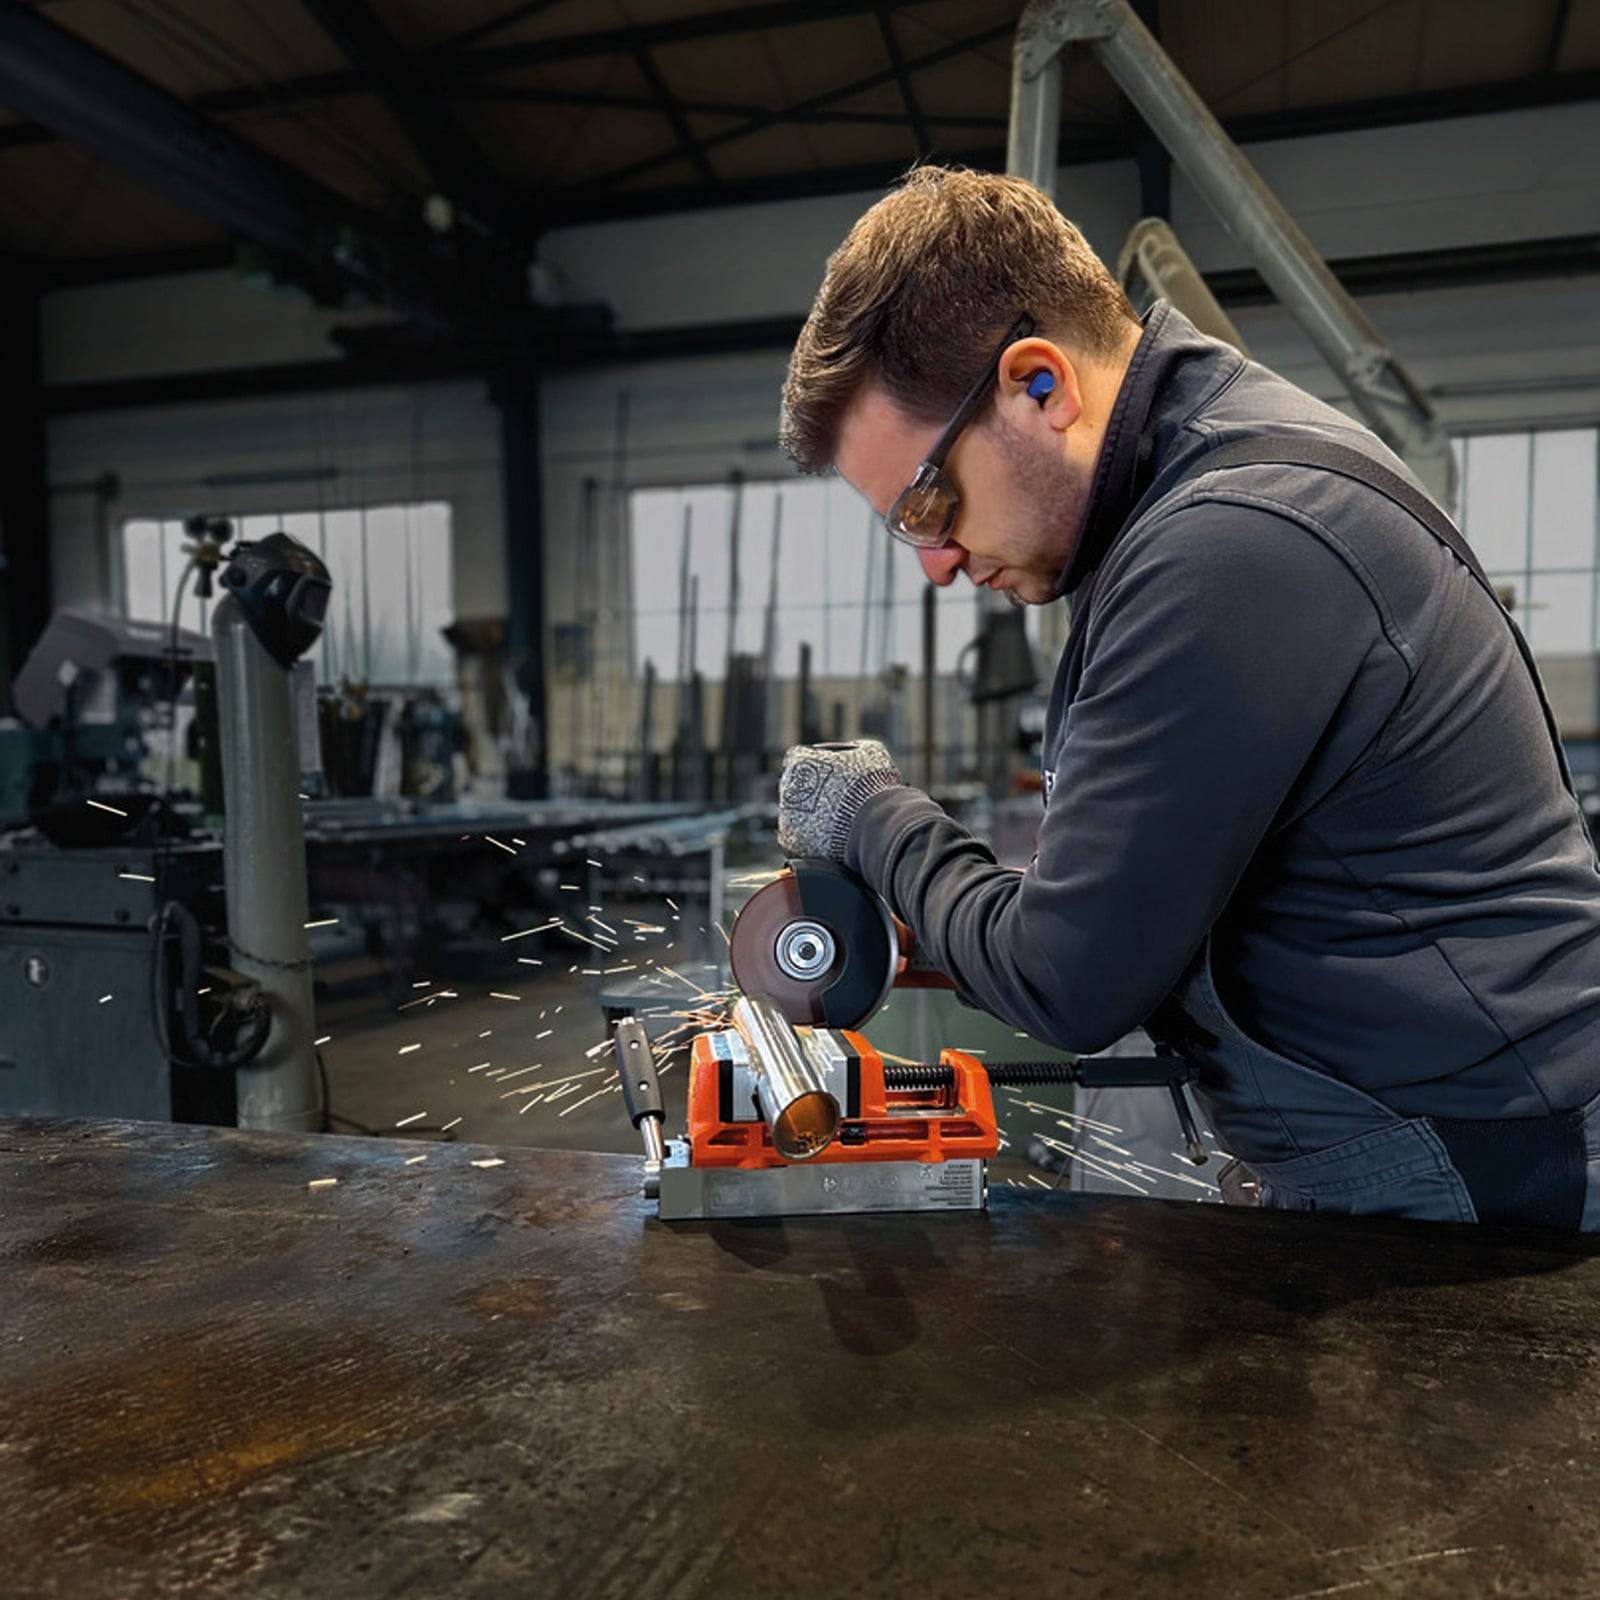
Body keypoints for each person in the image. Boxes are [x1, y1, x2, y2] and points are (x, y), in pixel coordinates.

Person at [773, 165, 1600, 1229]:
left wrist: (873, 816)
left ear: (1039, 385)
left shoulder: (1230, 543)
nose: (934, 565)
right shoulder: (1191, 484)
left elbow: (1066, 982)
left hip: (1479, 1165)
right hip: (1440, 1125)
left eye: (927, 504)